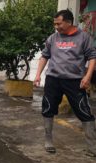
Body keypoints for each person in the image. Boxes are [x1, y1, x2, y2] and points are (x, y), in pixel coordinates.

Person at [33, 9, 96, 155]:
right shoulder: (53, 38)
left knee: (84, 111)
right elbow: (44, 56)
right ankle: (48, 140)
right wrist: (38, 75)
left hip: (75, 81)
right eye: (55, 24)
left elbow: (92, 57)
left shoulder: (84, 37)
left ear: (69, 22)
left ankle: (92, 147)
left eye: (59, 23)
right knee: (48, 108)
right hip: (53, 80)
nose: (56, 27)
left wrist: (87, 77)